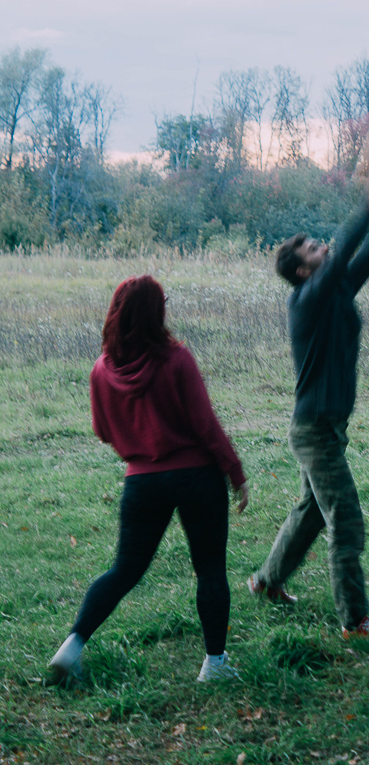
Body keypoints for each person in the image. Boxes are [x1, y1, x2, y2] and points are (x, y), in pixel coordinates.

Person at [247, 138, 369, 640]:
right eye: (311, 248)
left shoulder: (335, 289)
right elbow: (348, 244)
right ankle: (355, 621)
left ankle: (267, 581)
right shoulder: (306, 297)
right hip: (315, 429)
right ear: (302, 270)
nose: (321, 245)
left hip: (326, 425)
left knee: (310, 513)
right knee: (343, 518)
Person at [47, 276, 250, 685]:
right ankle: (215, 664)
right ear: (157, 312)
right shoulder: (177, 359)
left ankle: (71, 645)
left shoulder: (101, 371)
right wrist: (235, 473)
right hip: (197, 477)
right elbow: (206, 426)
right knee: (209, 568)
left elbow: (102, 431)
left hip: (142, 482)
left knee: (124, 569)